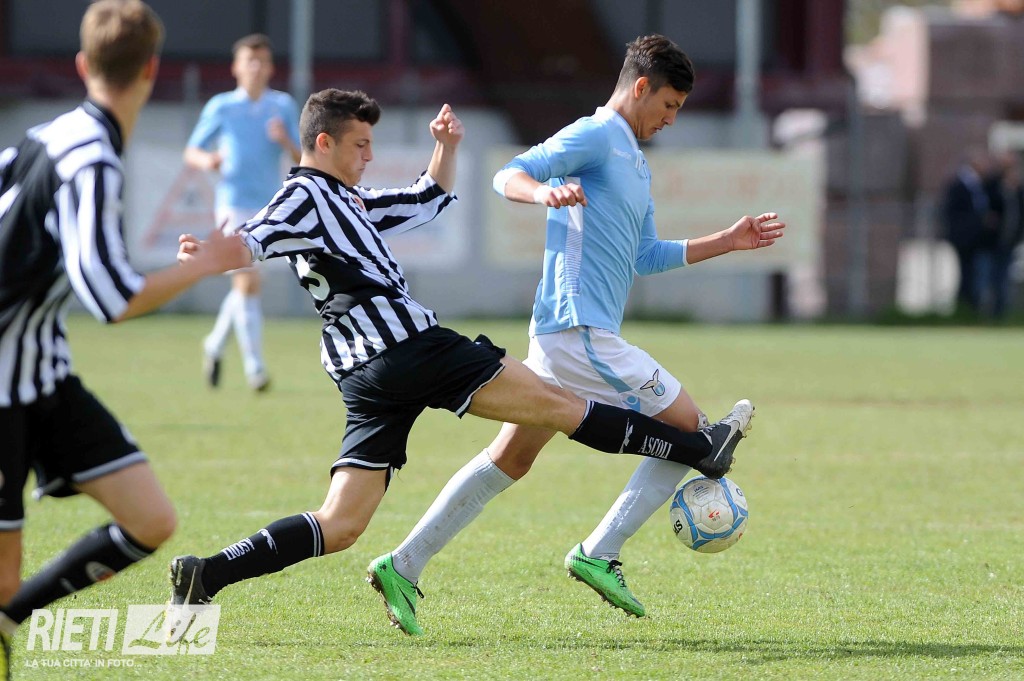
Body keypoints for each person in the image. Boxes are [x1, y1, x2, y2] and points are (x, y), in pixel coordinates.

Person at [166, 89, 756, 636]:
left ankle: (206, 574)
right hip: (412, 348)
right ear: (323, 143)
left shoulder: (347, 200)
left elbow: (425, 199)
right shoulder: (306, 195)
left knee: (340, 524)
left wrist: (444, 148)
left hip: (365, 378)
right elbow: (255, 238)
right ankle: (697, 448)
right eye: (361, 145)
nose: (370, 156)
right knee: (559, 405)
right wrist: (207, 255)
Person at [371, 34, 786, 634]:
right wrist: (544, 192)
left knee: (511, 459)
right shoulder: (595, 134)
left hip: (566, 337)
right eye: (669, 105)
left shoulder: (635, 160)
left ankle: (403, 564)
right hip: (578, 332)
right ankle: (600, 551)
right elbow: (508, 175)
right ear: (640, 87)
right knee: (694, 433)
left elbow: (645, 255)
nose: (671, 119)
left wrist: (727, 240)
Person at [0, 1, 251, 677]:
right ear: (151, 70)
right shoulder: (91, 160)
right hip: (1, 389)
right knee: (1, 576)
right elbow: (111, 297)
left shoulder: (43, 135)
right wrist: (203, 264)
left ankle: (7, 621)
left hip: (43, 374)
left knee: (151, 519)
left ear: (84, 65)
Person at [184, 33, 301, 392]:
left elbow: (304, 157)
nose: (256, 67)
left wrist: (284, 140)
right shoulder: (222, 106)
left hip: (270, 205)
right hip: (233, 204)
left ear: (270, 67)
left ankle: (214, 344)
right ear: (236, 67)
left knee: (245, 286)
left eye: (262, 61)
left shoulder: (282, 105)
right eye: (249, 60)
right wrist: (209, 160)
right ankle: (256, 370)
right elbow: (193, 151)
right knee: (247, 282)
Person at [941, 149, 994, 315]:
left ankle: (969, 309)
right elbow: (954, 212)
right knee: (967, 274)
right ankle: (964, 309)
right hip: (964, 238)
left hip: (976, 239)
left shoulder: (980, 184)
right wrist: (979, 220)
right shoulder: (960, 185)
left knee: (972, 274)